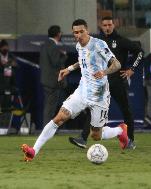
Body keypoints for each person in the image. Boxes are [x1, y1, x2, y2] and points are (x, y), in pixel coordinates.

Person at [21, 19, 128, 162]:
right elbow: (83, 60)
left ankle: (120, 130)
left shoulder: (99, 44)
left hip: (99, 95)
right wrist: (69, 69)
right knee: (59, 118)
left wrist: (104, 72)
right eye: (75, 33)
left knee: (96, 135)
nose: (78, 35)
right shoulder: (79, 46)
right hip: (82, 92)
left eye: (81, 32)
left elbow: (117, 64)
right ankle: (33, 151)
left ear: (87, 30)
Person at [69, 16, 143, 149]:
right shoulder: (95, 41)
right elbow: (85, 60)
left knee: (126, 111)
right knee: (92, 109)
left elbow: (140, 52)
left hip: (117, 82)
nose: (107, 27)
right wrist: (71, 68)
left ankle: (130, 140)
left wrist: (132, 69)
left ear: (114, 25)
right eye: (105, 25)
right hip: (101, 83)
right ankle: (83, 138)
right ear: (101, 26)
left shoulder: (121, 41)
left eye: (109, 25)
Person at [40, 25, 67, 126]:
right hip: (52, 81)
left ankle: (46, 128)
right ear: (58, 34)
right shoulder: (53, 45)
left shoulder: (45, 45)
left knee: (49, 105)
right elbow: (56, 63)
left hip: (46, 80)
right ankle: (47, 129)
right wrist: (64, 56)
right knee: (50, 107)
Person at [0, 40, 17, 113]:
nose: (5, 49)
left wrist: (12, 64)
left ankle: (6, 119)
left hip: (9, 84)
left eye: (6, 48)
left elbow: (16, 65)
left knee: (7, 103)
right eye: (3, 48)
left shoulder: (11, 56)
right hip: (0, 83)